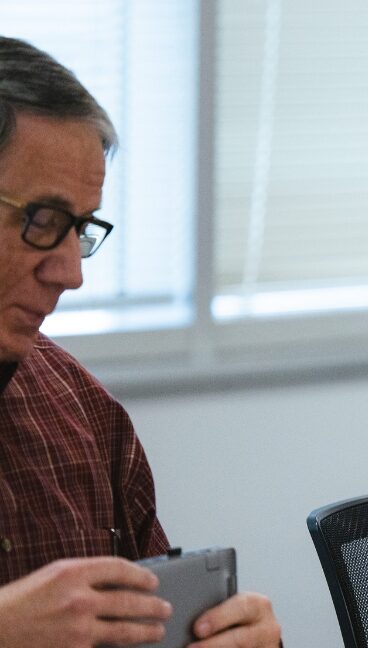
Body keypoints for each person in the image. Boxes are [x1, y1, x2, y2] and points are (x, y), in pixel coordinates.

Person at [0, 36, 282, 647]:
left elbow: (151, 625)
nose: (71, 272)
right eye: (42, 223)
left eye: (80, 229)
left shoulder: (79, 409)